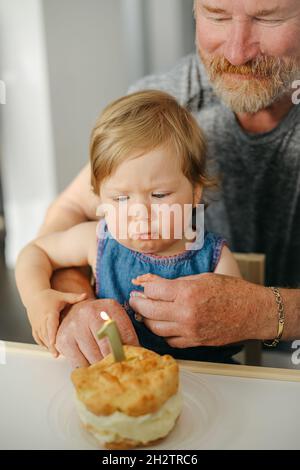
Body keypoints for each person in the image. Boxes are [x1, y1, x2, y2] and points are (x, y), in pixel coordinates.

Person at [18, 0, 300, 367]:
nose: (236, 52)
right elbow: (71, 211)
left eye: (267, 17)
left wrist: (263, 312)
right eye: (216, 15)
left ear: (197, 189)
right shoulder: (163, 108)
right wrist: (72, 298)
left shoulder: (212, 254)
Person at [15, 90, 241, 362]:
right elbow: (35, 252)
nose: (140, 214)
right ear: (99, 198)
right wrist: (38, 296)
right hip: (119, 382)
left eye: (159, 195)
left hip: (205, 386)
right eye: (120, 198)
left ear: (195, 193)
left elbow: (237, 329)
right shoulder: (96, 241)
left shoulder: (214, 258)